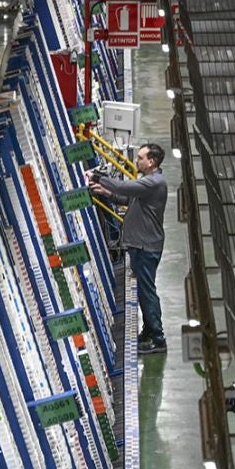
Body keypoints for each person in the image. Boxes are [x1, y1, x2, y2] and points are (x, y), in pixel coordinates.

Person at [90, 143, 169, 354]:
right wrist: (105, 191)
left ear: (151, 161)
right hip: (140, 246)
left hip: (146, 246)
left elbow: (123, 188)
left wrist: (98, 177)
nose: (137, 160)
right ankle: (148, 331)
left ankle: (158, 338)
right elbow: (126, 198)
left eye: (141, 157)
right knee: (144, 292)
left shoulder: (154, 182)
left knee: (147, 291)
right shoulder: (148, 182)